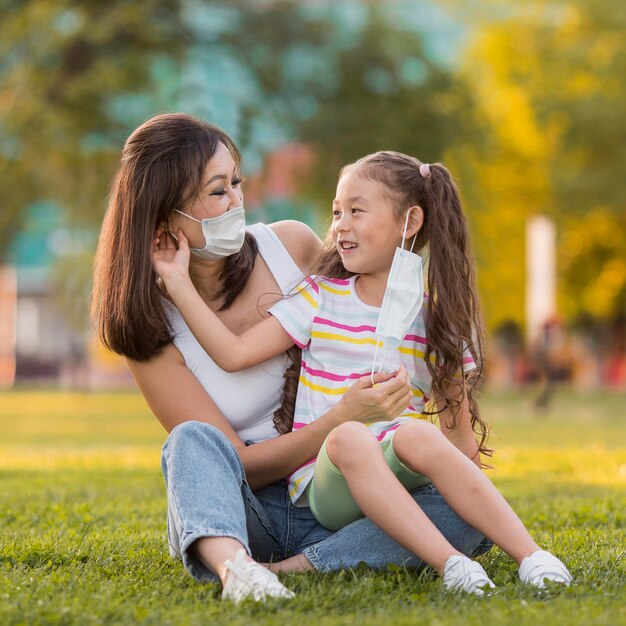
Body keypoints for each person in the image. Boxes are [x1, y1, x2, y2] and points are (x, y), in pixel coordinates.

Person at [91, 113, 493, 603]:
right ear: (164, 217)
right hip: (250, 510)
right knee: (190, 442)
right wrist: (342, 418)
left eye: (236, 183)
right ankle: (237, 567)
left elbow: (368, 299)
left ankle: (299, 567)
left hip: (348, 497)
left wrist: (443, 352)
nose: (238, 201)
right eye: (218, 192)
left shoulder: (290, 247)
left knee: (469, 511)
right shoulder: (149, 327)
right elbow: (239, 466)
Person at [153, 150, 573, 595]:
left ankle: (532, 557)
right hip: (323, 481)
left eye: (356, 211)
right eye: (336, 213)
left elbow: (460, 443)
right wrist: (177, 283)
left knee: (425, 447)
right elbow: (233, 353)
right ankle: (257, 567)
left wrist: (465, 502)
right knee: (339, 437)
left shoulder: (435, 320)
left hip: (386, 490)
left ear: (409, 223)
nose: (339, 226)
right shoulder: (320, 297)